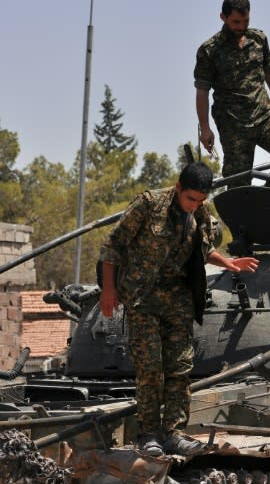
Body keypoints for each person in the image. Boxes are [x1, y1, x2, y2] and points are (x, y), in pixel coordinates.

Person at [98, 162, 259, 456]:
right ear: (177, 188)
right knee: (150, 368)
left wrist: (230, 263)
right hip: (142, 297)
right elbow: (112, 245)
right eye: (190, 199)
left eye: (200, 200)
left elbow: (203, 250)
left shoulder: (200, 214)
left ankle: (173, 433)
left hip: (178, 299)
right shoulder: (149, 205)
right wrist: (109, 289)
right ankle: (148, 434)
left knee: (179, 368)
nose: (194, 205)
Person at [195, 0, 270, 189]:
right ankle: (243, 215)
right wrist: (205, 127)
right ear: (223, 17)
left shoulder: (258, 39)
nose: (241, 26)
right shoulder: (210, 50)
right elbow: (202, 90)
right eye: (236, 22)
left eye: (245, 21)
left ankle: (267, 196)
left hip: (263, 116)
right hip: (233, 123)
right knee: (238, 181)